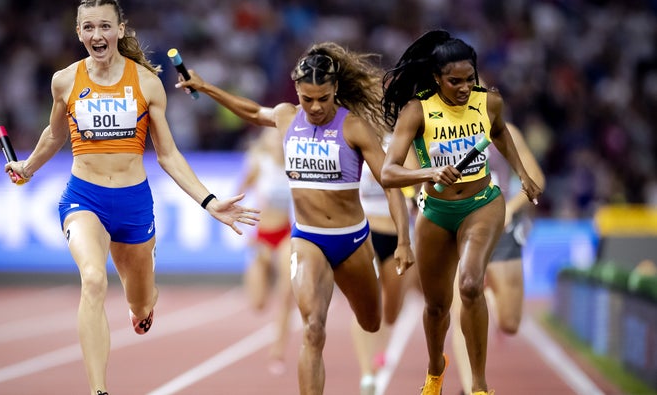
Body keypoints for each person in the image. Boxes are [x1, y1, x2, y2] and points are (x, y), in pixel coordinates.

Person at [2, 0, 259, 395]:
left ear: (120, 30)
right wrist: (28, 167)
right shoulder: (65, 80)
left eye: (105, 26)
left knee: (140, 303)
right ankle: (99, 390)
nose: (97, 34)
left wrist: (209, 202)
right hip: (83, 197)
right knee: (93, 279)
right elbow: (55, 134)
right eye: (89, 27)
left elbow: (168, 154)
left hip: (133, 204)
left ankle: (142, 300)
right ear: (79, 32)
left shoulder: (146, 83)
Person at [177, 41, 415, 395]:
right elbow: (252, 112)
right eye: (308, 99)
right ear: (297, 92)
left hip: (351, 240)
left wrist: (404, 240)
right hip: (307, 239)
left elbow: (393, 184)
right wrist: (206, 86)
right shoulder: (288, 116)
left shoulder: (354, 128)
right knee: (312, 329)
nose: (316, 107)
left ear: (336, 90)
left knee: (372, 320)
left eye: (323, 98)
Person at [379, 30, 542, 395]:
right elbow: (389, 173)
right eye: (455, 81)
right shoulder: (417, 110)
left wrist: (523, 175)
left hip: (483, 204)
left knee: (470, 285)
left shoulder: (489, 103)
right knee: (437, 307)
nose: (464, 87)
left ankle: (480, 386)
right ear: (437, 77)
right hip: (436, 212)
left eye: (470, 79)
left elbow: (500, 133)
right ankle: (436, 369)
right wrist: (429, 172)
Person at [450, 122, 546, 394]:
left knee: (510, 323)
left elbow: (536, 177)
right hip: (461, 226)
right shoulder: (440, 127)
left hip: (501, 229)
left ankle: (488, 298)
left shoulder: (504, 131)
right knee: (460, 311)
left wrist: (511, 209)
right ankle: (472, 389)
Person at [353, 134, 418, 395]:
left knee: (391, 309)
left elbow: (415, 178)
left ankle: (383, 344)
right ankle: (367, 373)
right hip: (365, 233)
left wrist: (408, 191)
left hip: (397, 236)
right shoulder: (354, 136)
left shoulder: (401, 141)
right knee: (364, 304)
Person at [237, 127, 295, 374]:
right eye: (272, 136)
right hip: (262, 236)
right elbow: (239, 194)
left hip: (286, 234)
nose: (277, 140)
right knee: (258, 303)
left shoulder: (296, 164)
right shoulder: (259, 164)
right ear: (265, 141)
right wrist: (243, 229)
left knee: (287, 291)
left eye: (281, 135)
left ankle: (278, 350)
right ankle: (261, 276)